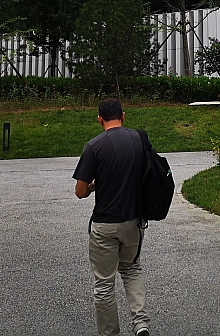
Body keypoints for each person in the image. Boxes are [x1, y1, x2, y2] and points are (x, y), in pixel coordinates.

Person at [73, 98, 151, 336]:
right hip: (133, 221)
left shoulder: (94, 146)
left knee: (104, 284)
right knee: (131, 269)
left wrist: (94, 186)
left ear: (100, 119)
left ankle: (110, 333)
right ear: (123, 116)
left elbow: (80, 191)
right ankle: (141, 323)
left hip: (105, 224)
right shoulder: (139, 140)